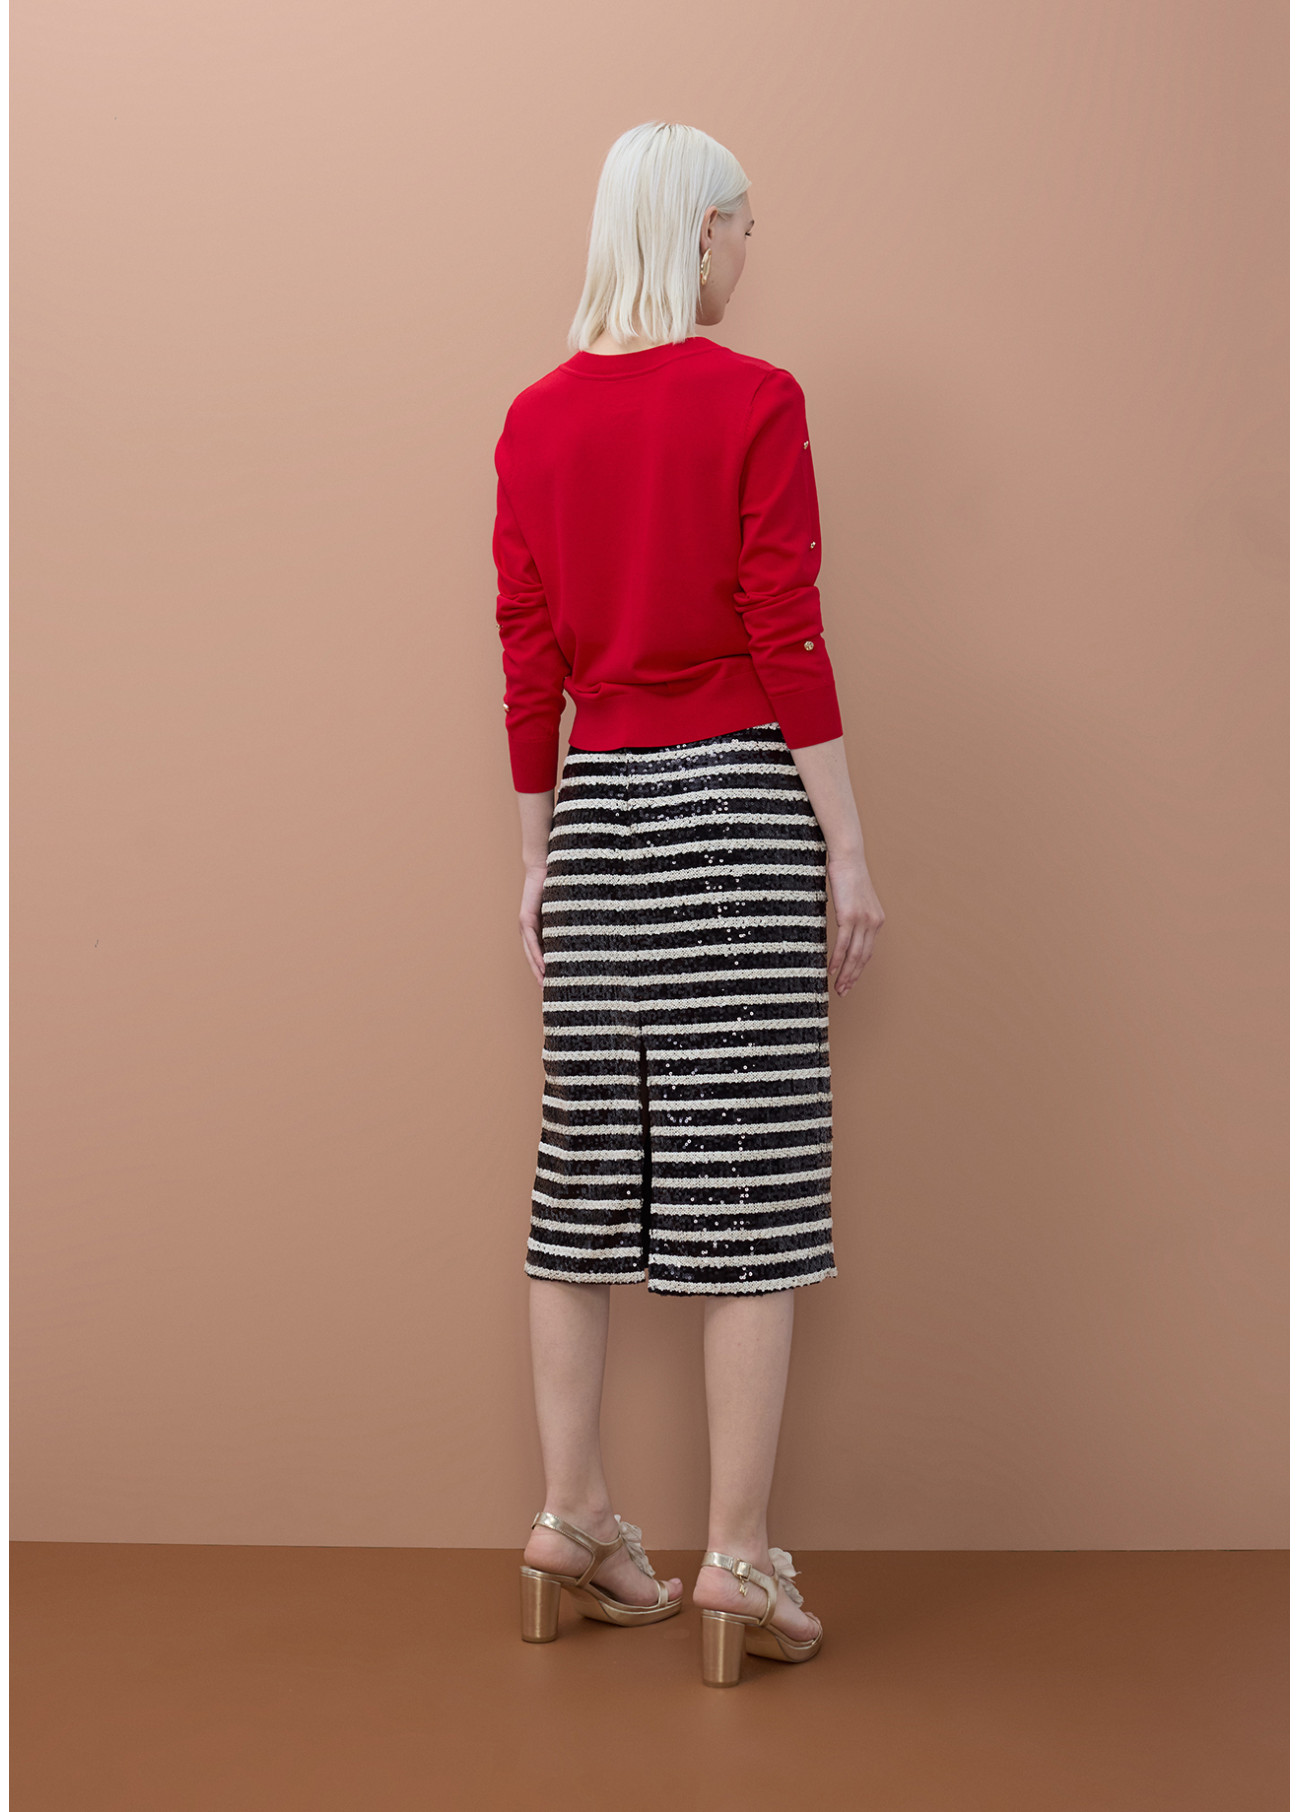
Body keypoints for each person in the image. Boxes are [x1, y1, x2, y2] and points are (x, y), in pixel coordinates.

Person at [492, 121, 885, 1686]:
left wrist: (539, 856)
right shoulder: (755, 399)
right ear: (697, 231)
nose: (748, 253)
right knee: (751, 1190)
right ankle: (737, 1559)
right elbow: (784, 624)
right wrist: (844, 846)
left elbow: (528, 654)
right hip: (733, 807)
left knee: (580, 1181)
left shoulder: (532, 422)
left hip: (598, 812)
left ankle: (572, 1519)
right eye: (742, 227)